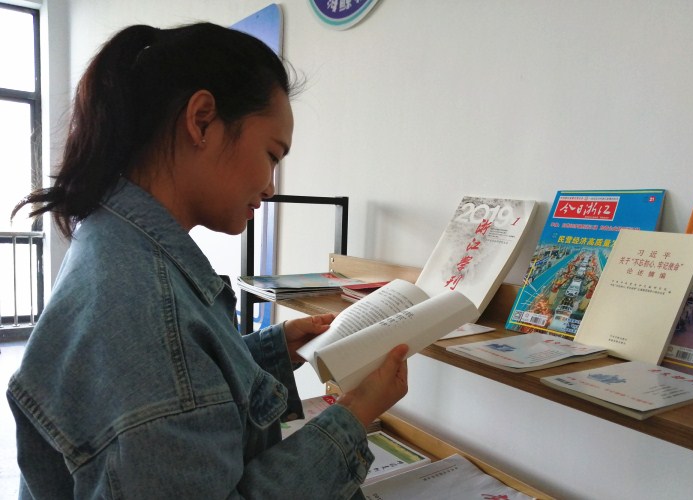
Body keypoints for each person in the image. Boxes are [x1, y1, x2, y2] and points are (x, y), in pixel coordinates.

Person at [7, 22, 408, 499]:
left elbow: (179, 391)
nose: (270, 186)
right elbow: (164, 370)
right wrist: (354, 416)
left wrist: (273, 351)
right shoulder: (148, 309)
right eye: (271, 154)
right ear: (201, 121)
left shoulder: (115, 243)